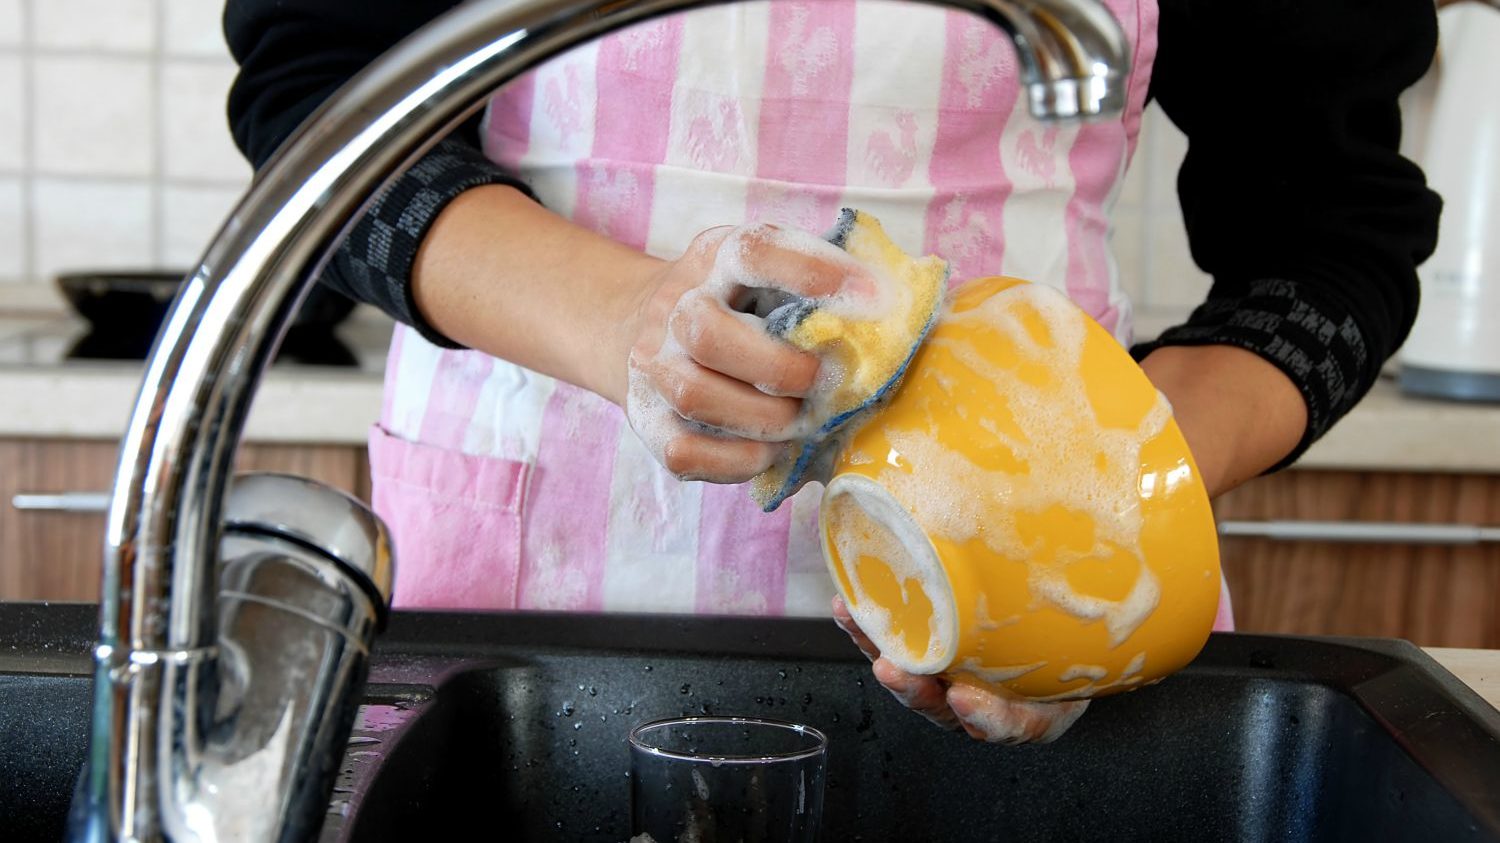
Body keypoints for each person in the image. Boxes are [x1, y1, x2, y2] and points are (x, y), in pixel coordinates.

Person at [224, 0, 1441, 743]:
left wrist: (1109, 519)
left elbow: (1332, 239)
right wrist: (627, 320)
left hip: (1034, 620)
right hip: (529, 586)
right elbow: (322, 112)